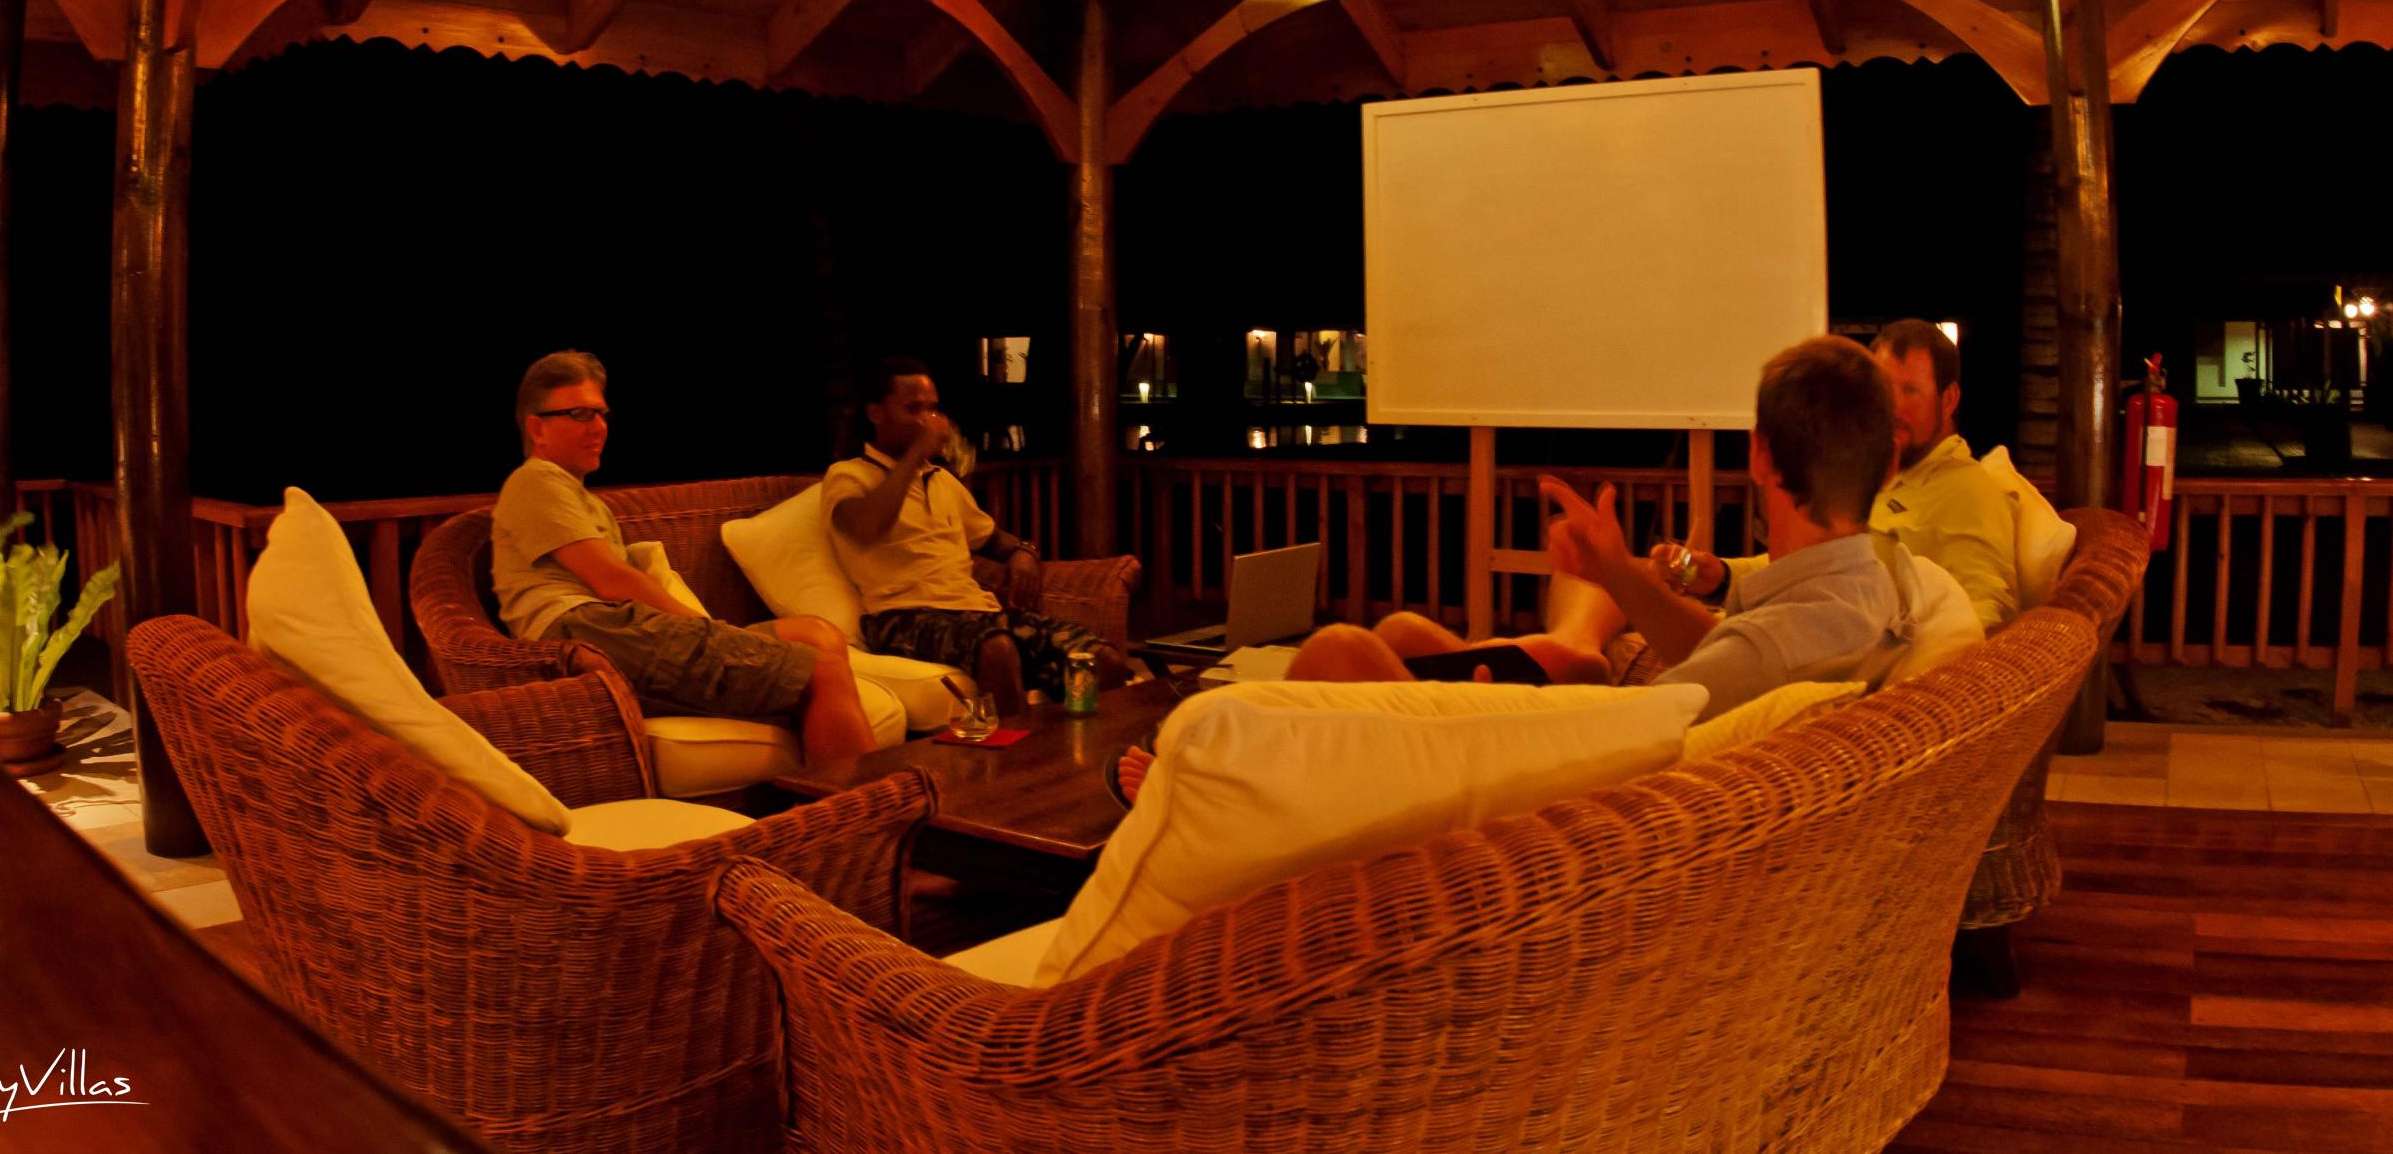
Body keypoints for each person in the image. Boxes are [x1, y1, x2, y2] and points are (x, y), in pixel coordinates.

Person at [1280, 336, 1943, 723]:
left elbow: (1605, 750)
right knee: (1400, 637)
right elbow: (1727, 648)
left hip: (1544, 826)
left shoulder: (1770, 655)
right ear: (1888, 461)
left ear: (1760, 455)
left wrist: (1494, 719)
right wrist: (1618, 571)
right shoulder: (1887, 576)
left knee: (1337, 652)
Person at [490, 350, 876, 766]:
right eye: (580, 414)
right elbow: (612, 581)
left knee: (817, 634)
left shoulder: (578, 496)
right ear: (537, 428)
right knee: (823, 671)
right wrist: (700, 625)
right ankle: (859, 821)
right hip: (586, 632)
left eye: (602, 414)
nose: (599, 427)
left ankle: (820, 790)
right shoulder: (536, 480)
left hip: (614, 631)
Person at [1659, 320, 2019, 633]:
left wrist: (1904, 672)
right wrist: (1720, 575)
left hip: (1811, 658)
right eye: (1884, 390)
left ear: (1949, 398)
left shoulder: (1966, 491)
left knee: (1624, 609)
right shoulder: (1882, 476)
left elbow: (1986, 615)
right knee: (1631, 594)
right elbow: (1808, 563)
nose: (1893, 408)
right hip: (1778, 624)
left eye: (1910, 391)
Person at [825, 356, 1128, 714]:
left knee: (1099, 660)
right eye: (913, 409)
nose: (929, 421)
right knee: (996, 648)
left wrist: (1023, 552)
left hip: (975, 613)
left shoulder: (941, 482)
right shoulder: (848, 476)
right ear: (876, 413)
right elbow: (865, 528)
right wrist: (917, 453)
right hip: (900, 617)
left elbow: (993, 539)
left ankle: (1079, 757)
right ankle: (1019, 763)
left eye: (933, 409)